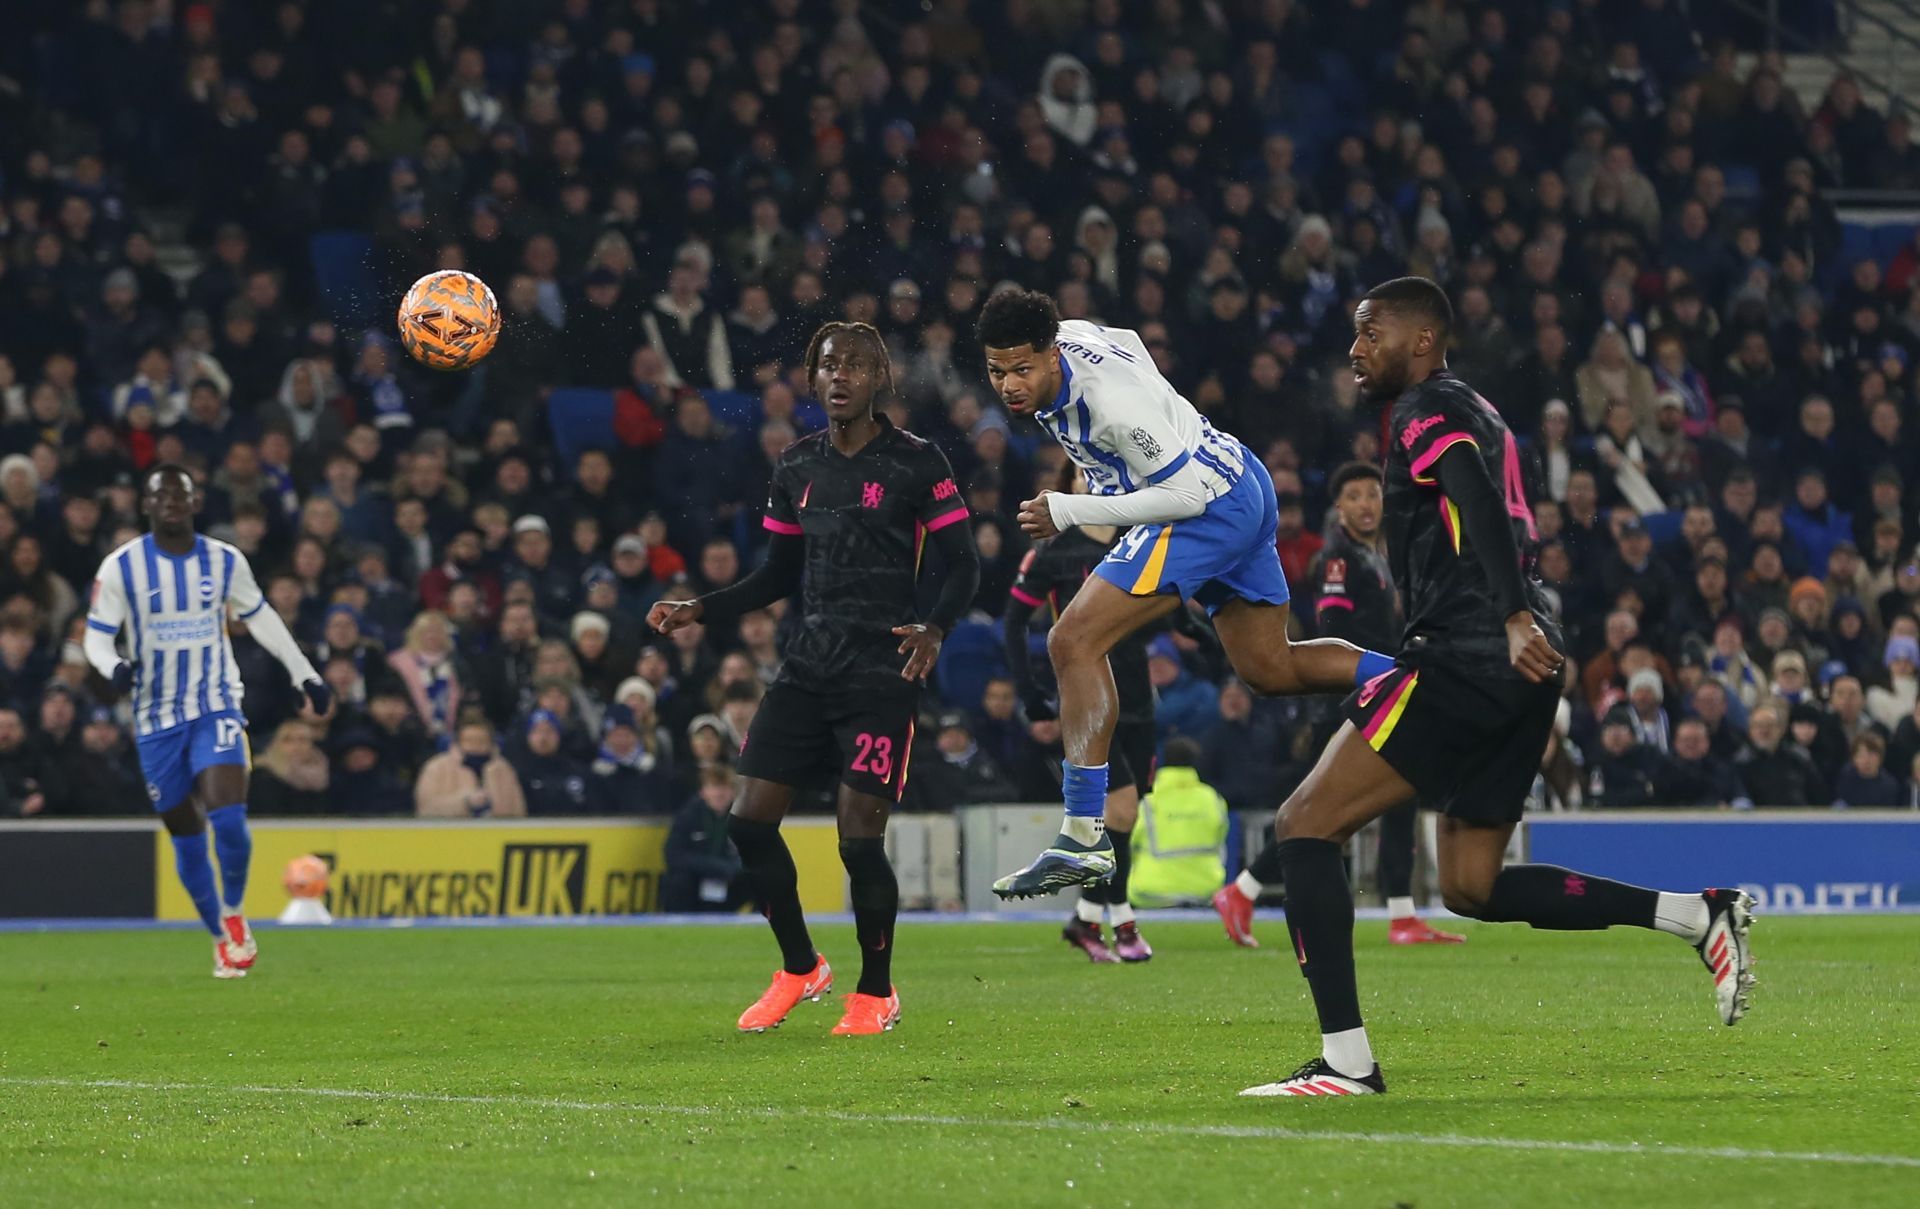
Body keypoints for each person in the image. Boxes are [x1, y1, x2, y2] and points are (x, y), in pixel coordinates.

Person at [1243, 279, 1755, 1098]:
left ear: (1419, 341)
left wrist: (1510, 613)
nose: (1354, 349)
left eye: (1369, 333)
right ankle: (1696, 915)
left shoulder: (1423, 410)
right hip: (1524, 661)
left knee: (1303, 823)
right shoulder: (1480, 408)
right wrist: (1525, 619)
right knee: (1473, 885)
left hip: (1472, 648)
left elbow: (1472, 492)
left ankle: (1345, 1062)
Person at [976, 288, 1393, 898]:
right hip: (1240, 480)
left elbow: (1184, 499)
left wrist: (1072, 505)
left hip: (1204, 509)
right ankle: (1414, 681)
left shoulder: (1112, 406)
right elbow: (1128, 339)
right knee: (1270, 667)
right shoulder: (1070, 334)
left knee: (1072, 638)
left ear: (1051, 357)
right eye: (996, 371)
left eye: (1022, 369)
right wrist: (1170, 415)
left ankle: (1083, 833)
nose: (1009, 384)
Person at [649, 321, 980, 1037]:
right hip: (807, 667)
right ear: (812, 377)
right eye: (829, 364)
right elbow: (776, 574)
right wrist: (697, 608)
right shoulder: (796, 465)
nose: (840, 375)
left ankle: (877, 990)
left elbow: (965, 563)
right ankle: (802, 967)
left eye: (856, 365)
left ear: (879, 379)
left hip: (879, 671)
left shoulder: (917, 463)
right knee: (746, 822)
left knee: (858, 839)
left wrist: (936, 627)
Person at [83, 463, 333, 978]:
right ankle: (219, 934)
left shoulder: (224, 561)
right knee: (187, 834)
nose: (172, 502)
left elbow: (260, 615)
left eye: (182, 494)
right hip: (155, 718)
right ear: (146, 505)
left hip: (215, 703)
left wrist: (304, 673)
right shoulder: (120, 568)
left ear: (196, 503)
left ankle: (236, 912)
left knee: (228, 818)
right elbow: (96, 636)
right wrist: (114, 667)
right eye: (161, 495)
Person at [1215, 461, 1466, 947]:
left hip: (1384, 694)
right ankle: (1243, 890)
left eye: (1373, 495)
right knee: (1317, 811)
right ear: (1339, 507)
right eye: (1354, 497)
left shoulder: (1375, 557)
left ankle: (1401, 914)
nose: (1366, 505)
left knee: (1399, 799)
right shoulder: (1338, 561)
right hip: (1348, 704)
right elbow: (1334, 637)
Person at [1003, 460, 1205, 962]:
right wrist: (1031, 696)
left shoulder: (1139, 542)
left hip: (1139, 700)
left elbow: (1167, 609)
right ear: (1070, 486)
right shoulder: (1055, 552)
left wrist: (1200, 633)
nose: (1093, 482)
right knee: (1122, 809)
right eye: (1082, 475)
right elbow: (1012, 625)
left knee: (1121, 821)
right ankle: (1124, 922)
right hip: (1088, 698)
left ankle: (1088, 920)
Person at [1126, 737, 1230, 908]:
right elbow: (1220, 838)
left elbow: (1126, 841)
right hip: (1204, 890)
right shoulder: (1213, 799)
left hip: (1151, 890)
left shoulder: (1148, 800)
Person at [662, 765, 750, 912]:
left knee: (760, 879)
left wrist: (733, 867)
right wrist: (713, 866)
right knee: (678, 881)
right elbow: (672, 854)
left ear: (734, 792)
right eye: (714, 787)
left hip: (729, 881)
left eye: (725, 788)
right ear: (703, 792)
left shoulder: (741, 818)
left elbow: (754, 853)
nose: (719, 794)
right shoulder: (688, 816)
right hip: (695, 880)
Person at [415, 713, 527, 818]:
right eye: (469, 741)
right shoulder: (436, 768)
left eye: (481, 741)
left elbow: (519, 811)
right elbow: (425, 809)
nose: (475, 746)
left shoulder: (503, 769)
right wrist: (465, 802)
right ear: (458, 743)